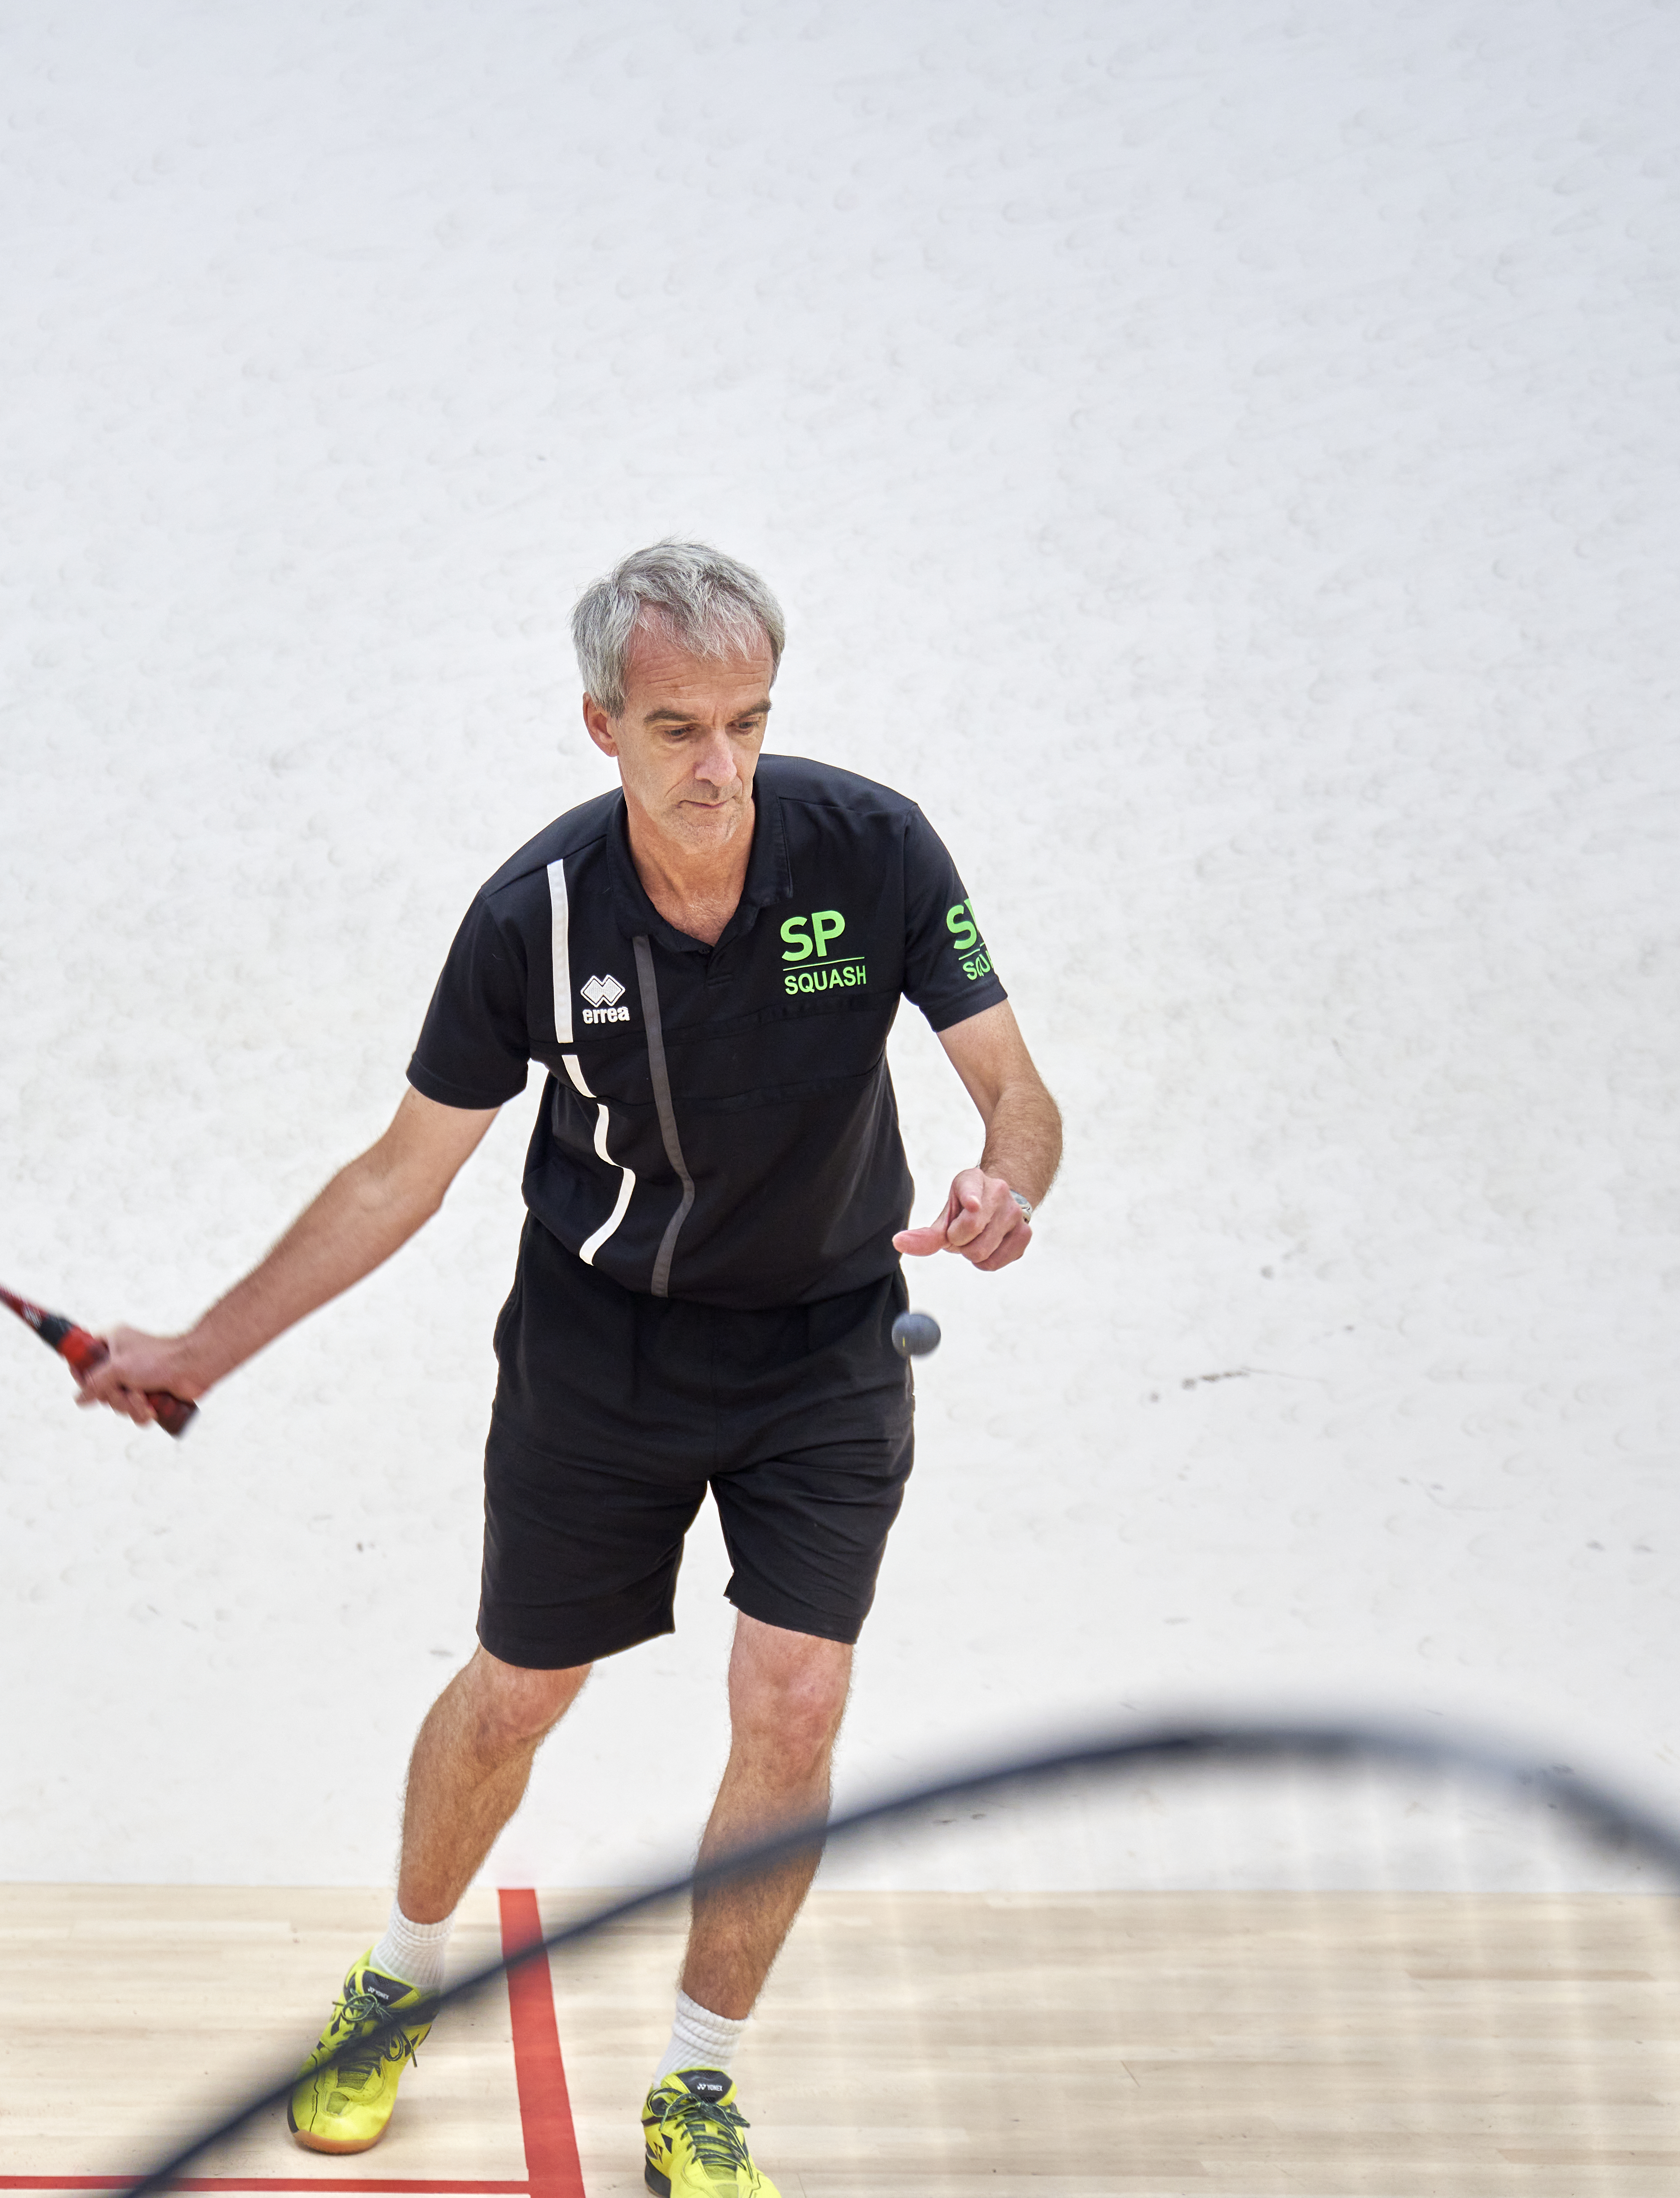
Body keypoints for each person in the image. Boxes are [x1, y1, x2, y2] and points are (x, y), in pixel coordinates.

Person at [79, 543, 1062, 2198]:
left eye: (750, 722)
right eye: (680, 727)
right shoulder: (530, 918)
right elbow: (402, 1172)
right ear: (600, 725)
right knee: (519, 1697)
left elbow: (1020, 1094)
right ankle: (393, 1977)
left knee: (797, 1697)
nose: (722, 767)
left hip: (826, 1346)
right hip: (600, 1351)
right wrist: (201, 1352)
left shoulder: (875, 850)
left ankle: (698, 2085)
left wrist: (1006, 1180)